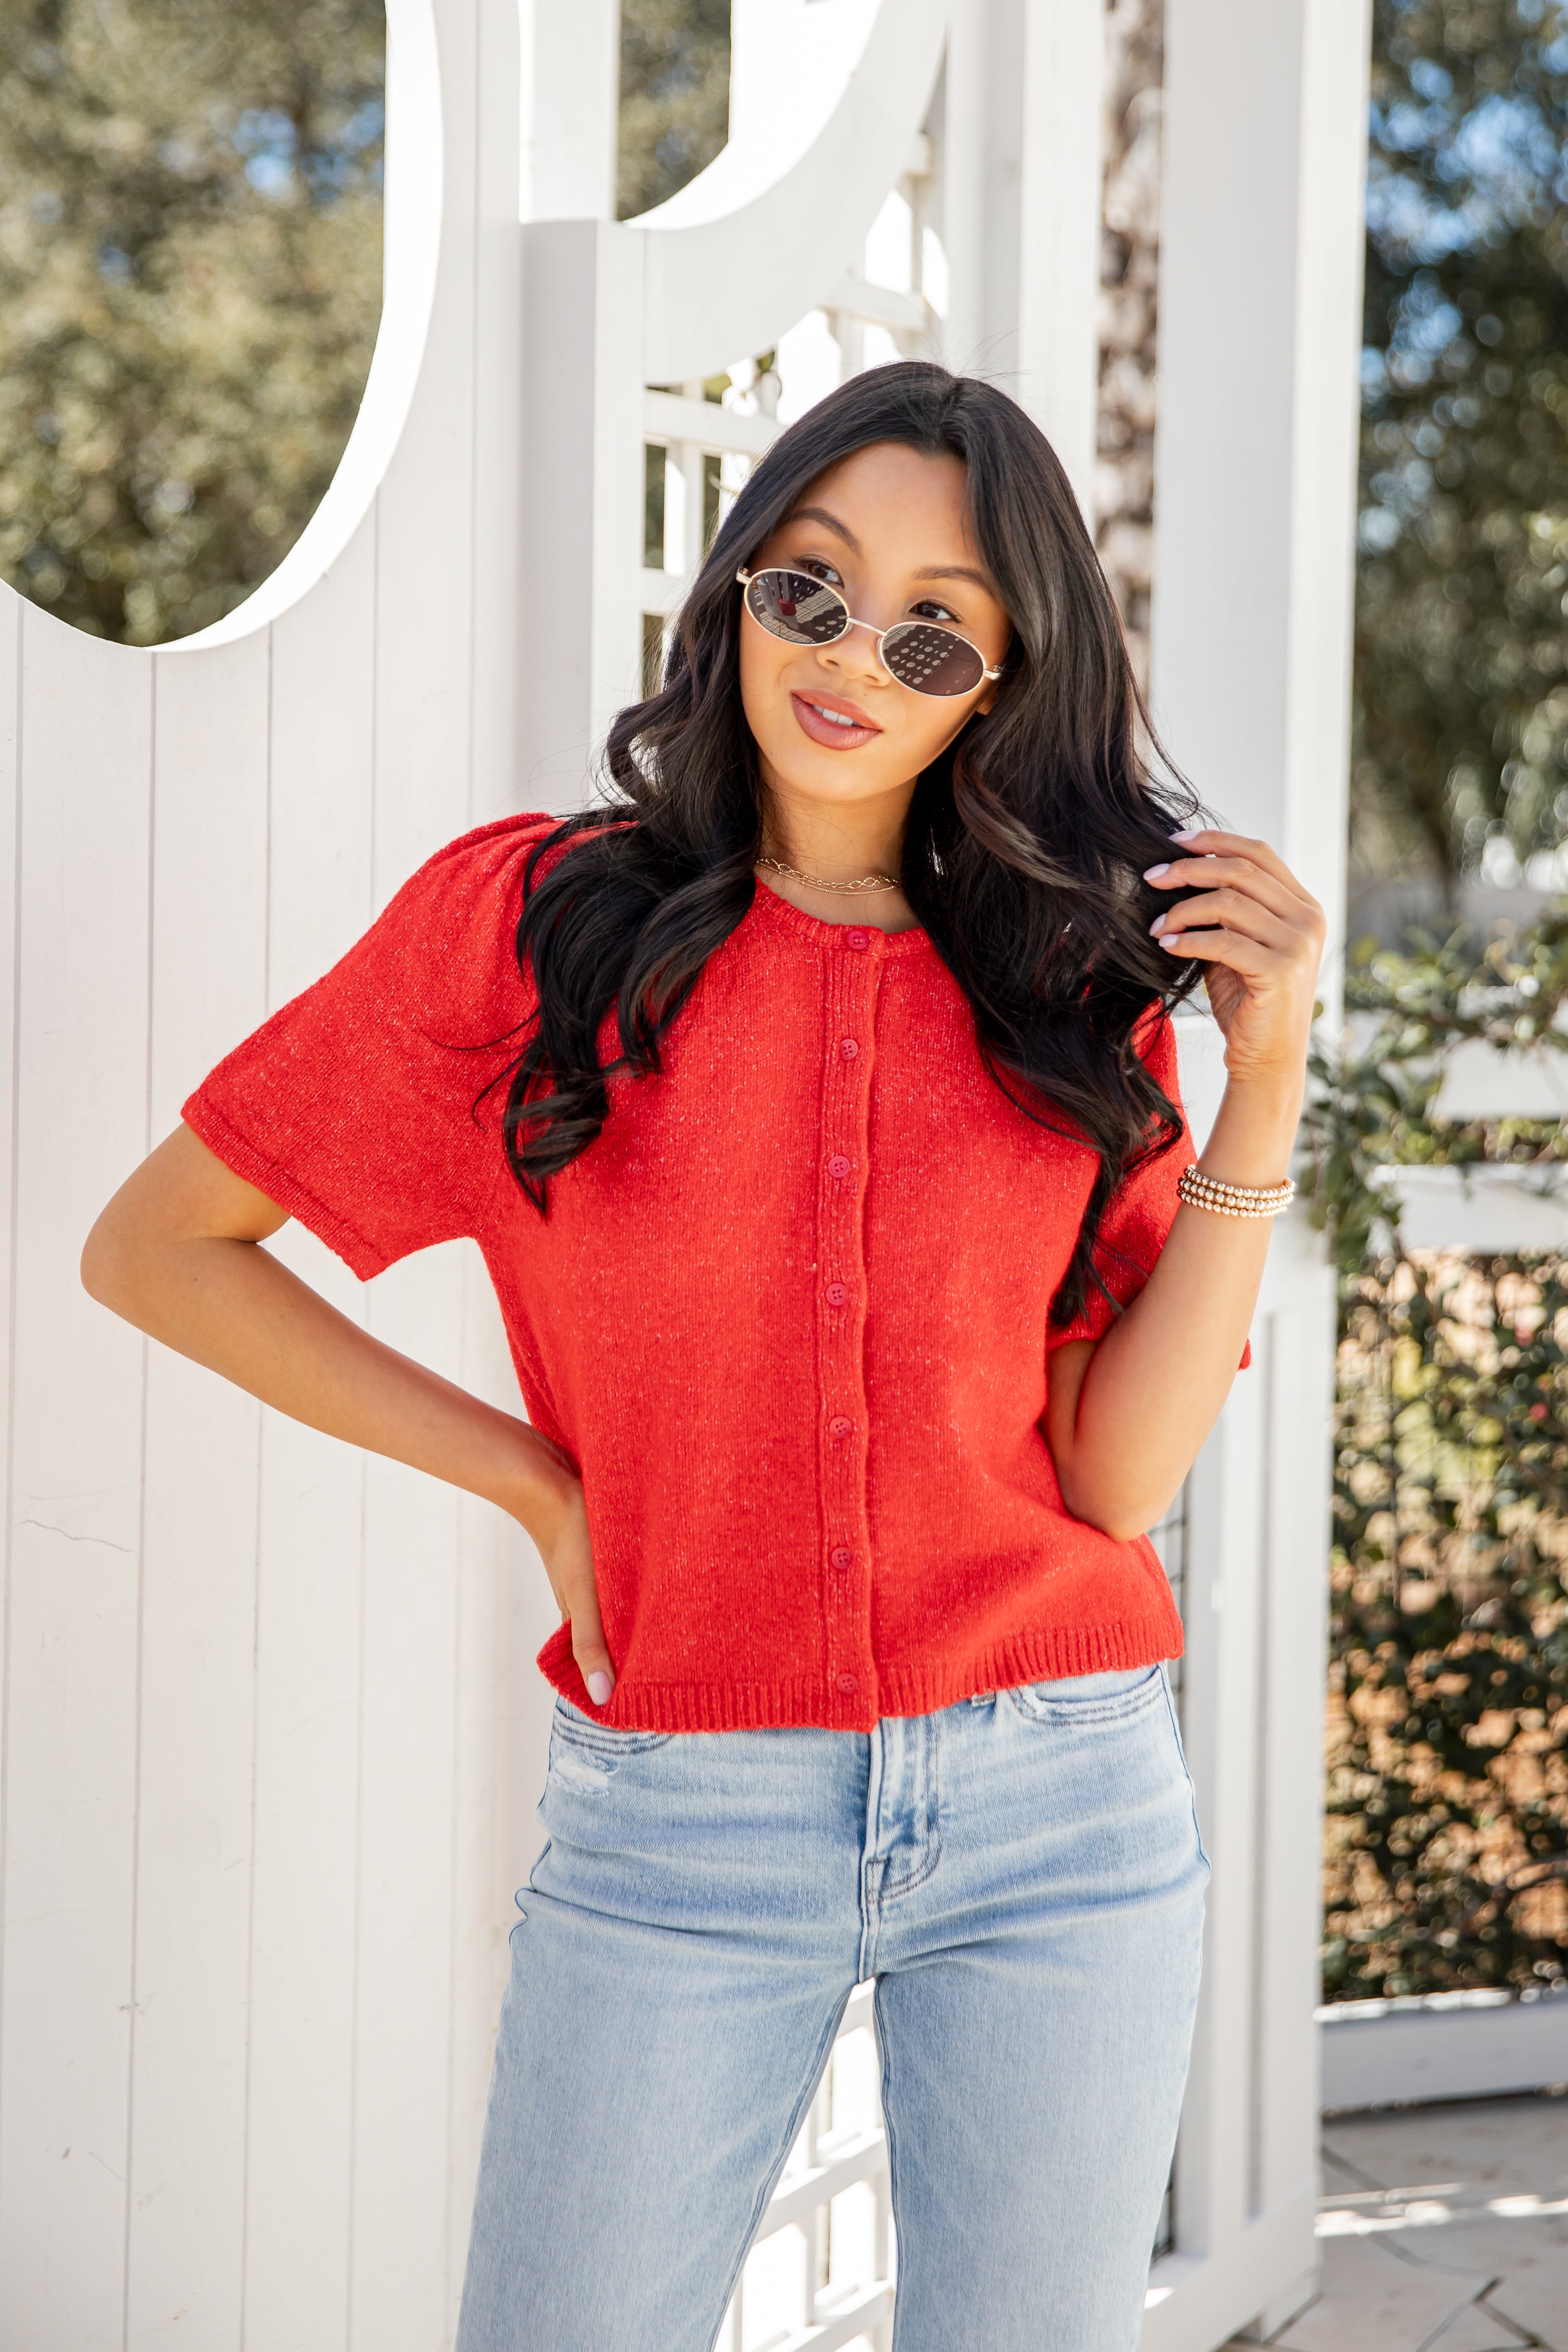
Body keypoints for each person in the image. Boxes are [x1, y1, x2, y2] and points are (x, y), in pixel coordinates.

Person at [82, 361, 1324, 2351]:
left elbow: (1113, 1484)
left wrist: (1259, 1092)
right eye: (807, 589)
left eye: (932, 629)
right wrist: (533, 1479)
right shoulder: (539, 924)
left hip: (1062, 1813)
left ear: (1002, 683)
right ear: (735, 587)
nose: (851, 658)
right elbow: (159, 1251)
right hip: (681, 1822)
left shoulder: (1073, 988)